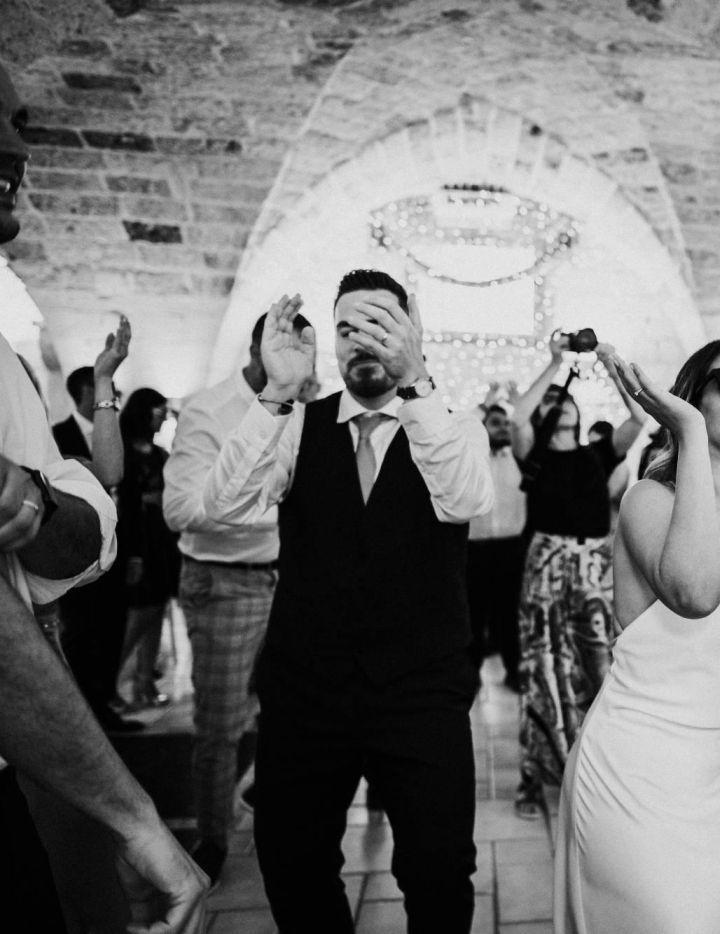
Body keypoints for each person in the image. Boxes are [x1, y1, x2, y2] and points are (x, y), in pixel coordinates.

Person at [201, 274, 494, 930]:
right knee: (294, 864)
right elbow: (225, 506)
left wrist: (415, 381)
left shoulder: (454, 426)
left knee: (439, 871)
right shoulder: (299, 425)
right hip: (306, 692)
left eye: (380, 324)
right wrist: (276, 394)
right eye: (347, 329)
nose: (362, 341)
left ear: (413, 330)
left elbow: (464, 500)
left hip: (421, 692)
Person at [0, 57, 207, 932]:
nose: (18, 147)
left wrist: (54, 510)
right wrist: (134, 818)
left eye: (19, 124)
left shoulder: (13, 344)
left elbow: (98, 497)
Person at [554, 339, 720, 934]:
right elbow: (696, 595)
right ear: (690, 401)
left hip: (716, 773)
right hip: (630, 772)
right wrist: (690, 434)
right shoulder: (650, 500)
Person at [163, 310, 307, 884]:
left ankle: (266, 794)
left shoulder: (303, 411)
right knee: (221, 725)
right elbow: (181, 510)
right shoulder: (209, 409)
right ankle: (213, 837)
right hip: (224, 582)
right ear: (257, 350)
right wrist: (270, 512)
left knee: (293, 707)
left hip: (288, 578)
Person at [509, 335, 646, 818]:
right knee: (544, 665)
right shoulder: (533, 454)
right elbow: (516, 418)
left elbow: (639, 419)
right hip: (547, 564)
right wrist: (553, 365)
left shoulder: (599, 452)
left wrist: (610, 365)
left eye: (563, 397)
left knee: (598, 664)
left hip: (593, 567)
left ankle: (592, 767)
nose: (558, 402)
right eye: (550, 400)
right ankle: (534, 774)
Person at [53, 324, 145, 732]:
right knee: (79, 635)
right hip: (70, 553)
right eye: (106, 389)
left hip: (116, 550)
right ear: (84, 392)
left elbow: (124, 487)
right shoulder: (56, 437)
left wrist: (135, 552)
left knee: (112, 630)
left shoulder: (115, 433)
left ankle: (105, 705)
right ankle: (80, 716)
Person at [115, 388, 181, 711]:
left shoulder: (159, 454)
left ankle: (145, 683)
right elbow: (123, 498)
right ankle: (109, 680)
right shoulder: (123, 451)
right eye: (159, 413)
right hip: (136, 539)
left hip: (161, 539)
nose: (163, 419)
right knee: (140, 612)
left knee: (157, 609)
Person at [466, 402, 528, 690]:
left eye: (505, 423)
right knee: (473, 614)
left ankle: (514, 671)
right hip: (474, 549)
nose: (503, 428)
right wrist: (483, 406)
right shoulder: (471, 458)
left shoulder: (520, 457)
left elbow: (523, 425)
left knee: (509, 613)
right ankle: (471, 674)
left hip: (511, 549)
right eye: (495, 423)